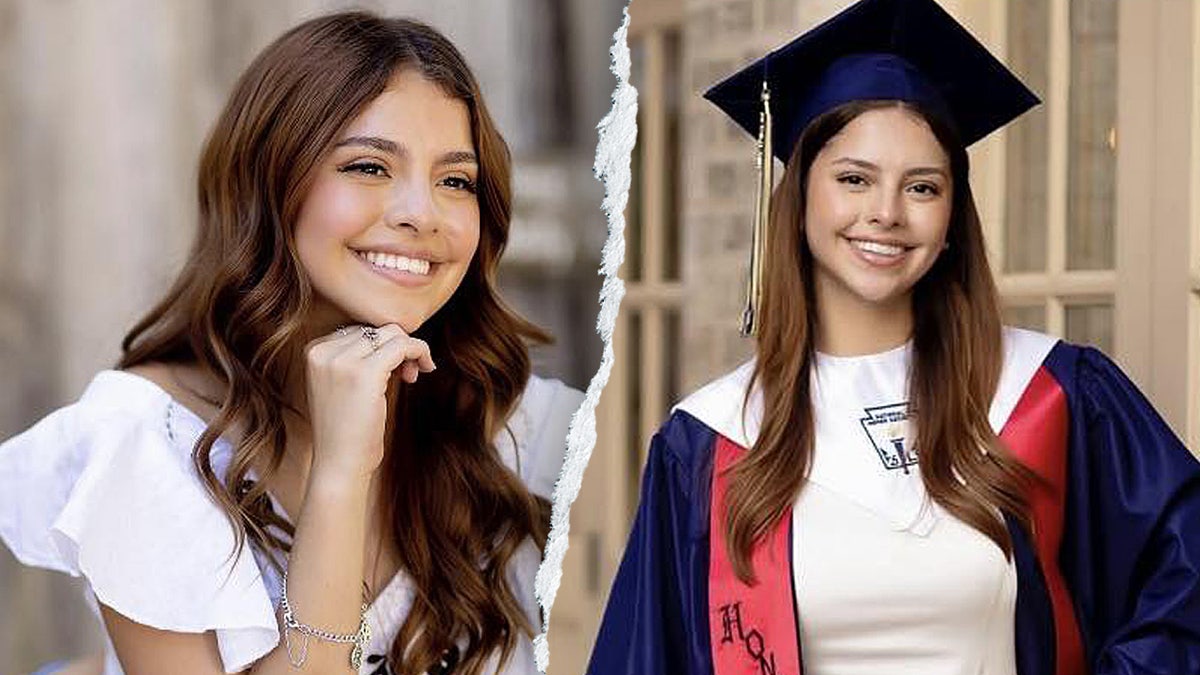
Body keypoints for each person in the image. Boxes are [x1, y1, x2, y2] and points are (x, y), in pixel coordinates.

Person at [586, 0, 1200, 674]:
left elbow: (1187, 580)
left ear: (952, 215)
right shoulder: (712, 442)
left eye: (922, 187)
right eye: (854, 179)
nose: (886, 213)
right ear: (800, 196)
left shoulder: (1048, 395)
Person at [0, 11, 582, 675]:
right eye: (369, 166)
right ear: (271, 181)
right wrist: (341, 474)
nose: (422, 214)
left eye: (456, 180)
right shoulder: (146, 443)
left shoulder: (513, 425)